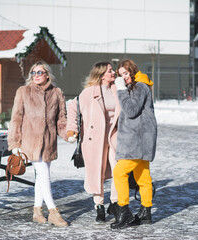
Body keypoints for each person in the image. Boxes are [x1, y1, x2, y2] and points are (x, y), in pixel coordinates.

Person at [8, 60, 68, 227]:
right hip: (30, 141)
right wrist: (14, 143)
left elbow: (61, 119)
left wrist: (67, 134)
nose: (35, 75)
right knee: (43, 174)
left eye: (39, 72)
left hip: (48, 142)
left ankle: (37, 210)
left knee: (42, 176)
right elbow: (16, 118)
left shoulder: (57, 93)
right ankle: (53, 212)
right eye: (33, 73)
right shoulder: (23, 92)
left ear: (47, 74)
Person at [66, 61, 120, 222]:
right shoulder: (88, 92)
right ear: (102, 74)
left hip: (114, 136)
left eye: (112, 70)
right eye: (110, 70)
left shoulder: (118, 90)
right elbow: (73, 108)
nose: (113, 72)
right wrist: (72, 129)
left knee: (119, 170)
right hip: (94, 138)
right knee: (97, 172)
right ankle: (99, 206)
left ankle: (115, 203)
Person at [111, 59, 157, 229]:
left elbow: (131, 111)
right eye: (120, 74)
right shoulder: (138, 86)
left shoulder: (140, 87)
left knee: (119, 172)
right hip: (141, 139)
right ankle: (146, 212)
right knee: (143, 177)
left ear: (132, 71)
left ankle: (124, 212)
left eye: (125, 73)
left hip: (137, 140)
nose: (123, 77)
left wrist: (121, 90)